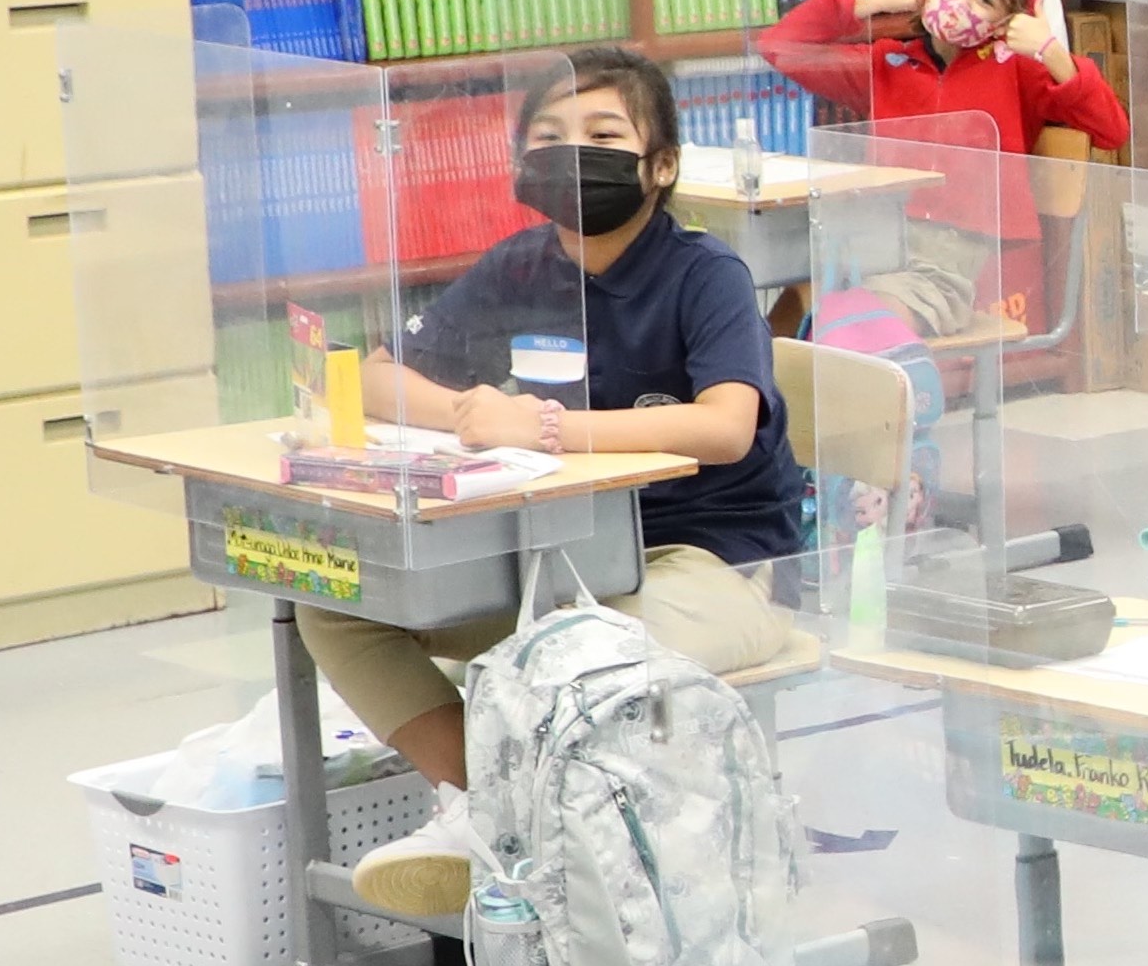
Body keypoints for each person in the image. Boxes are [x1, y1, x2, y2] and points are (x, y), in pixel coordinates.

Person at [317, 47, 821, 920]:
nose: (572, 153)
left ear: (661, 166)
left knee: (570, 660)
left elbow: (725, 425)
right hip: (558, 561)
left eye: (604, 135)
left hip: (715, 566)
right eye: (548, 136)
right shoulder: (520, 267)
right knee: (340, 603)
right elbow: (375, 380)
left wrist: (544, 428)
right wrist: (471, 411)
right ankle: (490, 811)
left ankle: (528, 837)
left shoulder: (705, 274)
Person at [764, 0, 1130, 345]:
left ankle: (885, 377)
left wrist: (1049, 51)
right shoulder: (888, 62)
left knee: (858, 320)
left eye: (985, 0)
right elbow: (778, 46)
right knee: (790, 307)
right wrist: (866, 2)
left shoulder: (1017, 70)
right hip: (877, 243)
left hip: (956, 260)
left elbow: (1112, 129)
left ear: (1007, 20)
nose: (962, 2)